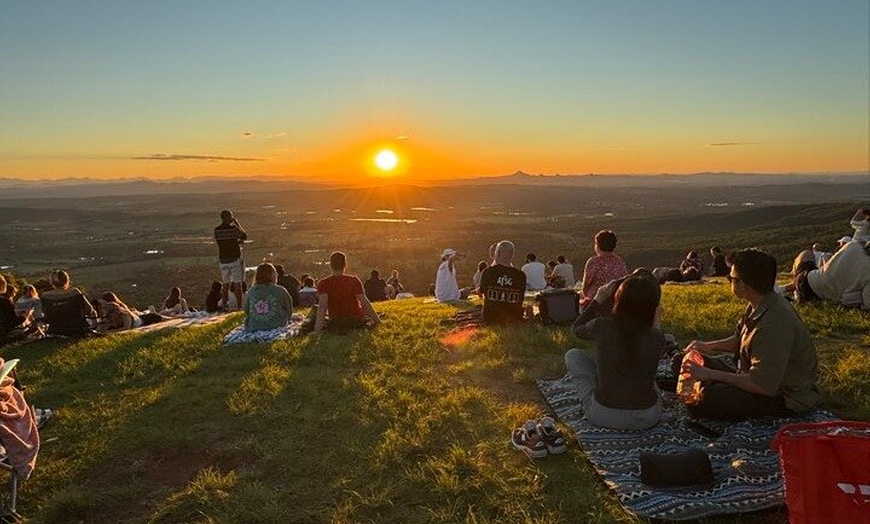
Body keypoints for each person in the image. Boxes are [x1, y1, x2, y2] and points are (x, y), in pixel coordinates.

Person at [681, 249, 821, 421]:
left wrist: (710, 374)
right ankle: (709, 381)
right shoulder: (758, 302)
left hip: (783, 395)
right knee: (682, 361)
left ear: (743, 284)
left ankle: (710, 385)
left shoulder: (774, 323)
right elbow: (740, 340)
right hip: (746, 371)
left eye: (731, 279)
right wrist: (707, 346)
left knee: (704, 400)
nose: (729, 282)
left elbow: (762, 385)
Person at [564, 275, 665, 430]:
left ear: (619, 299)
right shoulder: (657, 337)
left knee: (573, 356)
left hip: (603, 416)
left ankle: (599, 389)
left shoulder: (601, 325)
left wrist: (597, 300)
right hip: (648, 418)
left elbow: (576, 328)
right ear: (653, 306)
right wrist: (656, 322)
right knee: (649, 377)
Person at [572, 268, 655, 338]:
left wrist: (597, 300)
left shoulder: (603, 325)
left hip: (609, 356)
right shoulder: (654, 335)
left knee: (572, 353)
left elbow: (576, 328)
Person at [314, 252, 380, 334]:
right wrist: (377, 321)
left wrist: (316, 331)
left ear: (330, 265)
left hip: (336, 321)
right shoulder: (354, 280)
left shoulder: (323, 283)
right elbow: (364, 302)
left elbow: (322, 307)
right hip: (355, 320)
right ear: (345, 264)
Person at [793, 240, 870, 306]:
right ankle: (793, 291)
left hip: (808, 279)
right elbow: (867, 303)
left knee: (807, 254)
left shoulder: (853, 245)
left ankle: (790, 289)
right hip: (815, 295)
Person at [479, 240, 527, 324]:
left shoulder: (488, 272)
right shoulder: (520, 275)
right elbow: (521, 297)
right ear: (512, 255)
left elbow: (481, 292)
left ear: (497, 253)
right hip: (513, 317)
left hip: (491, 318)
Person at [41, 269, 98, 336]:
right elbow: (90, 310)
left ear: (51, 282)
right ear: (67, 281)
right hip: (78, 329)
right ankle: (96, 330)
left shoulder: (45, 296)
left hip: (55, 330)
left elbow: (45, 314)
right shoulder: (75, 292)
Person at [214, 209, 247, 310]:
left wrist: (235, 243)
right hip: (234, 259)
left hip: (223, 260)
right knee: (238, 284)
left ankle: (224, 305)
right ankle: (239, 307)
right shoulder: (233, 229)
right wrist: (237, 223)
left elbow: (224, 243)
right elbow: (244, 236)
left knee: (225, 284)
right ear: (229, 218)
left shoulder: (217, 230)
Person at [243, 263, 293, 332]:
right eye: (275, 272)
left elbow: (246, 310)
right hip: (277, 324)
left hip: (253, 327)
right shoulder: (280, 290)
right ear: (271, 275)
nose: (277, 275)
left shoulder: (251, 291)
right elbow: (289, 310)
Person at [581, 230, 629, 300]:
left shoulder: (593, 262)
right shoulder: (619, 261)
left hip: (595, 300)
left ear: (598, 245)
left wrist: (585, 295)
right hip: (615, 298)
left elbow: (586, 285)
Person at [96, 292, 165, 332]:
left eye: (104, 304)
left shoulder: (122, 311)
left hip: (145, 319)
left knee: (161, 316)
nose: (103, 307)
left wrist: (108, 332)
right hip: (138, 317)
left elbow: (126, 327)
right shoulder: (109, 313)